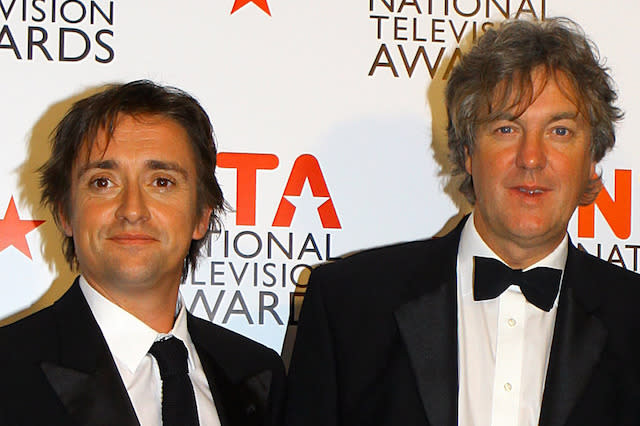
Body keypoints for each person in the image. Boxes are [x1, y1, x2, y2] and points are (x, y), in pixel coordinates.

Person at [285, 18, 640, 426]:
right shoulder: (348, 305)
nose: (531, 157)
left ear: (592, 161)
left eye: (560, 131)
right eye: (506, 128)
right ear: (469, 151)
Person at [0, 80, 285, 426]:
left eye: (161, 182)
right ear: (65, 213)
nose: (132, 210)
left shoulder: (258, 374)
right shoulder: (9, 367)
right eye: (103, 182)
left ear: (201, 216)